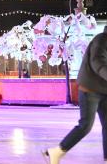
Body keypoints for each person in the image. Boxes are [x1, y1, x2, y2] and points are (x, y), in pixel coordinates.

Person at [43, 26, 107, 164]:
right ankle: (57, 152)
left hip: (104, 91)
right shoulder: (101, 40)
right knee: (85, 125)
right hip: (90, 90)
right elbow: (97, 62)